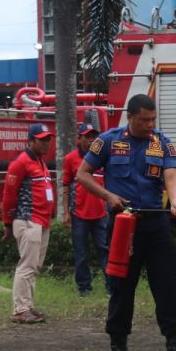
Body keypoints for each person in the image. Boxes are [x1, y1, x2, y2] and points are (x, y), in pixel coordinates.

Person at [76, 94, 176, 351]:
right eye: (144, 120)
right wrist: (108, 196)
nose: (150, 125)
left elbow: (171, 176)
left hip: (156, 224)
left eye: (153, 119)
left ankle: (174, 346)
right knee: (122, 286)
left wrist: (175, 201)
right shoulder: (107, 140)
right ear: (130, 117)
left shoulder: (162, 142)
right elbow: (83, 174)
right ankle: (118, 345)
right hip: (123, 224)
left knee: (168, 284)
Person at [1, 123, 56, 324]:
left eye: (48, 139)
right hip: (28, 220)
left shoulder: (40, 162)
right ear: (30, 141)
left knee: (34, 265)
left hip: (41, 221)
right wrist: (7, 223)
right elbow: (8, 194)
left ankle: (28, 306)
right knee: (27, 265)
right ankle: (20, 310)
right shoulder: (20, 162)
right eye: (41, 140)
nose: (46, 143)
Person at [63, 123, 109, 297]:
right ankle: (84, 287)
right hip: (79, 215)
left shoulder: (103, 157)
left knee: (105, 250)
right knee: (81, 253)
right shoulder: (70, 159)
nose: (91, 140)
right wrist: (66, 212)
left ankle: (110, 286)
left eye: (93, 137)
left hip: (101, 214)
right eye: (87, 137)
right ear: (79, 139)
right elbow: (66, 186)